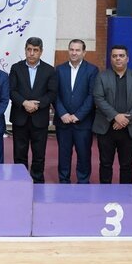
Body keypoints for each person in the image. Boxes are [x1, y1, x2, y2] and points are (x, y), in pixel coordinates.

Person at [93, 45, 132, 184]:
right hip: (106, 127)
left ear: (127, 58)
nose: (118, 58)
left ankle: (126, 193)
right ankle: (105, 192)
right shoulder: (101, 76)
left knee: (126, 165)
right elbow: (98, 98)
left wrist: (125, 119)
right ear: (111, 58)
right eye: (114, 56)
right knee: (105, 164)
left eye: (121, 56)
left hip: (129, 128)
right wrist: (116, 116)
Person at [9, 37, 57, 183]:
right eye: (29, 49)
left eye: (35, 50)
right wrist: (24, 103)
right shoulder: (16, 68)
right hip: (20, 117)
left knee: (39, 154)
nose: (31, 53)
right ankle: (20, 180)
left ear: (41, 52)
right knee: (19, 153)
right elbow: (11, 90)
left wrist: (37, 105)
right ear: (25, 50)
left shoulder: (49, 70)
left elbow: (52, 93)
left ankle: (37, 181)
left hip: (39, 118)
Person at [54, 39, 99, 183]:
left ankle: (83, 182)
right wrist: (63, 113)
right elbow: (55, 94)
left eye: (77, 50)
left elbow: (92, 95)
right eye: (71, 49)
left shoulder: (92, 70)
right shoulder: (59, 69)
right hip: (63, 121)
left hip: (83, 122)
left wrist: (78, 115)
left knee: (84, 155)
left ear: (84, 52)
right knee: (63, 154)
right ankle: (64, 181)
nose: (74, 53)